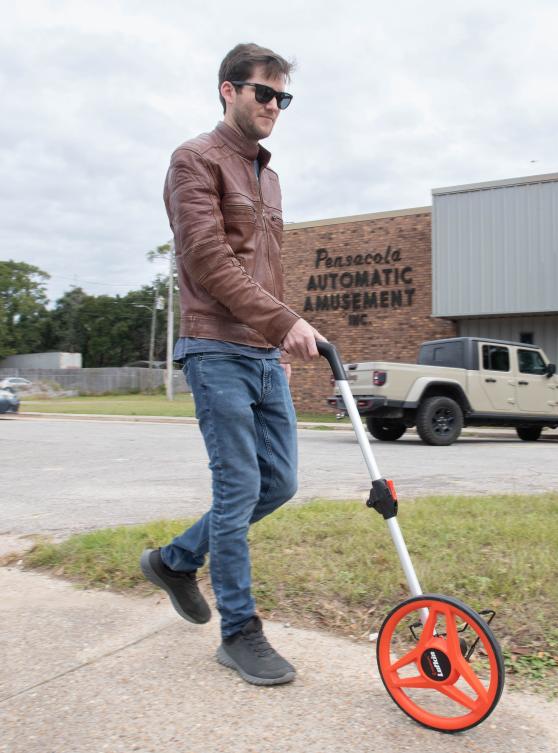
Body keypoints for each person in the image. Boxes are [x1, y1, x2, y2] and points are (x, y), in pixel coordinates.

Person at [140, 43, 325, 686]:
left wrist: (280, 341)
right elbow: (209, 262)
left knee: (279, 483)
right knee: (239, 486)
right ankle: (239, 632)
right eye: (263, 93)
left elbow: (267, 270)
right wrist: (284, 324)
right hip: (215, 347)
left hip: (263, 352)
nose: (274, 106)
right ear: (228, 90)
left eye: (283, 97)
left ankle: (175, 560)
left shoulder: (270, 177)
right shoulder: (194, 160)